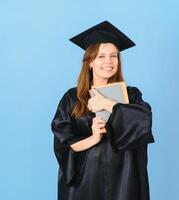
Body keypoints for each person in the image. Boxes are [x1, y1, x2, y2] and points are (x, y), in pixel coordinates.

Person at [51, 20, 155, 200]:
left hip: (125, 181)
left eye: (113, 56)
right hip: (86, 183)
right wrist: (93, 138)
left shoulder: (132, 96)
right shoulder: (72, 98)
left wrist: (108, 104)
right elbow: (64, 143)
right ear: (90, 62)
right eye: (101, 56)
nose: (108, 61)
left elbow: (144, 122)